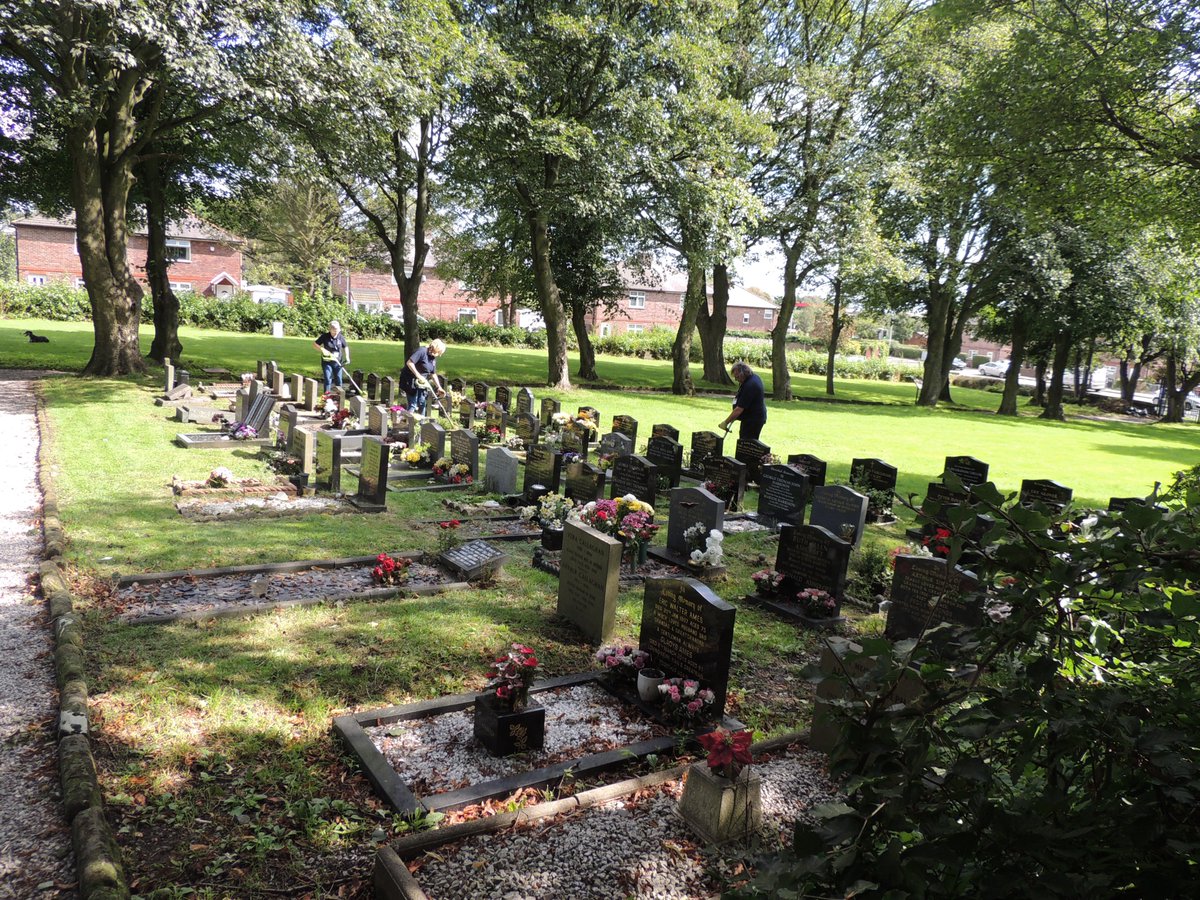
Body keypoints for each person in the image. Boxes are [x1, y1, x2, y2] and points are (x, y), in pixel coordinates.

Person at [720, 361, 767, 441]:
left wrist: (726, 422)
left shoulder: (750, 385)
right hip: (750, 417)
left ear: (743, 374)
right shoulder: (752, 378)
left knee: (747, 442)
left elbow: (739, 409)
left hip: (753, 419)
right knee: (744, 439)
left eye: (737, 377)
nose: (736, 379)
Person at [400, 338, 447, 415]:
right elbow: (409, 363)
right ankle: (408, 420)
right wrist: (418, 375)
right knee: (413, 404)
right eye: (438, 352)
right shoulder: (422, 351)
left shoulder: (432, 357)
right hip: (410, 379)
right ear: (433, 348)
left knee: (422, 403)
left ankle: (422, 421)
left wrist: (439, 387)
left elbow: (433, 373)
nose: (439, 355)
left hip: (422, 382)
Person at [314, 321, 349, 392]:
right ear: (330, 329)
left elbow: (345, 347)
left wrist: (347, 357)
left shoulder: (341, 337)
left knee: (338, 379)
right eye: (334, 330)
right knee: (328, 378)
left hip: (338, 362)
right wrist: (322, 349)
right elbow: (315, 344)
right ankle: (327, 395)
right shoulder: (325, 336)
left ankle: (339, 395)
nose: (336, 332)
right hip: (327, 361)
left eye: (337, 330)